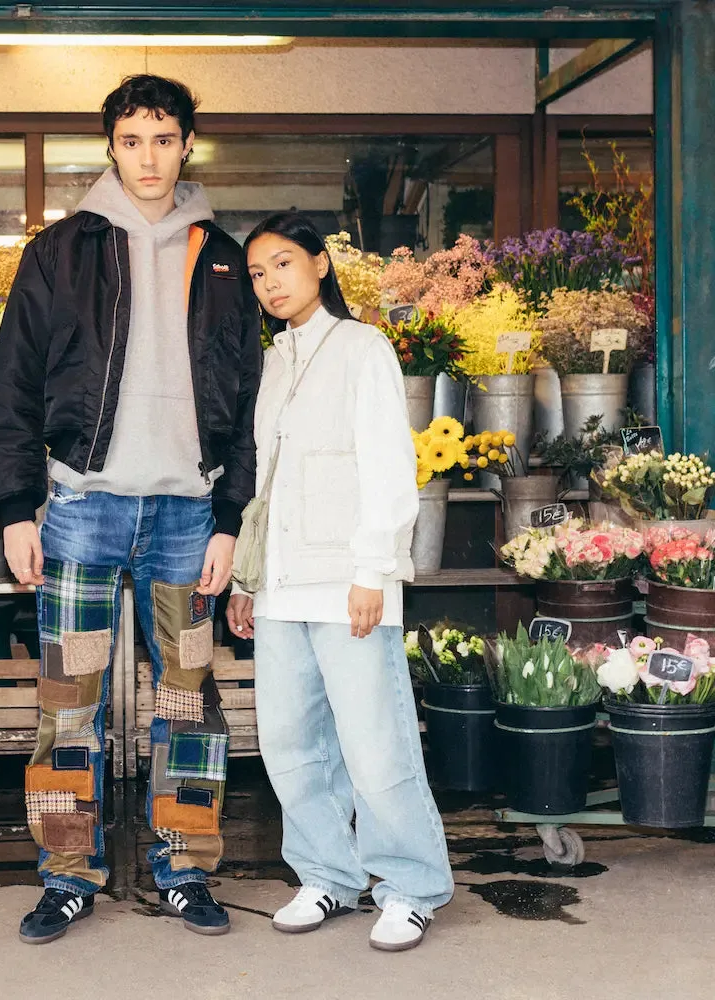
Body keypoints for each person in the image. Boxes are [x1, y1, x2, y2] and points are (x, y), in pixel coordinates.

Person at [0, 74, 262, 944]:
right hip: (81, 511)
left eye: (165, 138)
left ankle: (183, 870)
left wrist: (231, 520)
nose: (149, 155)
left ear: (188, 146)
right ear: (111, 146)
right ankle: (67, 873)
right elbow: (12, 388)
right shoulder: (59, 251)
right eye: (133, 139)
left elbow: (251, 402)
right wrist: (17, 506)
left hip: (186, 517)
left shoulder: (223, 257)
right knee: (70, 705)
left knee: (187, 704)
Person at [226, 213, 453, 952]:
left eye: (283, 264)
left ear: (321, 265)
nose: (270, 283)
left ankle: (411, 888)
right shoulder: (272, 363)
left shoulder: (362, 348)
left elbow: (391, 467)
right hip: (282, 586)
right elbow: (262, 483)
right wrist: (247, 583)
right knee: (289, 744)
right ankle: (326, 875)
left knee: (376, 744)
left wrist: (372, 572)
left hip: (350, 582)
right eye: (258, 274)